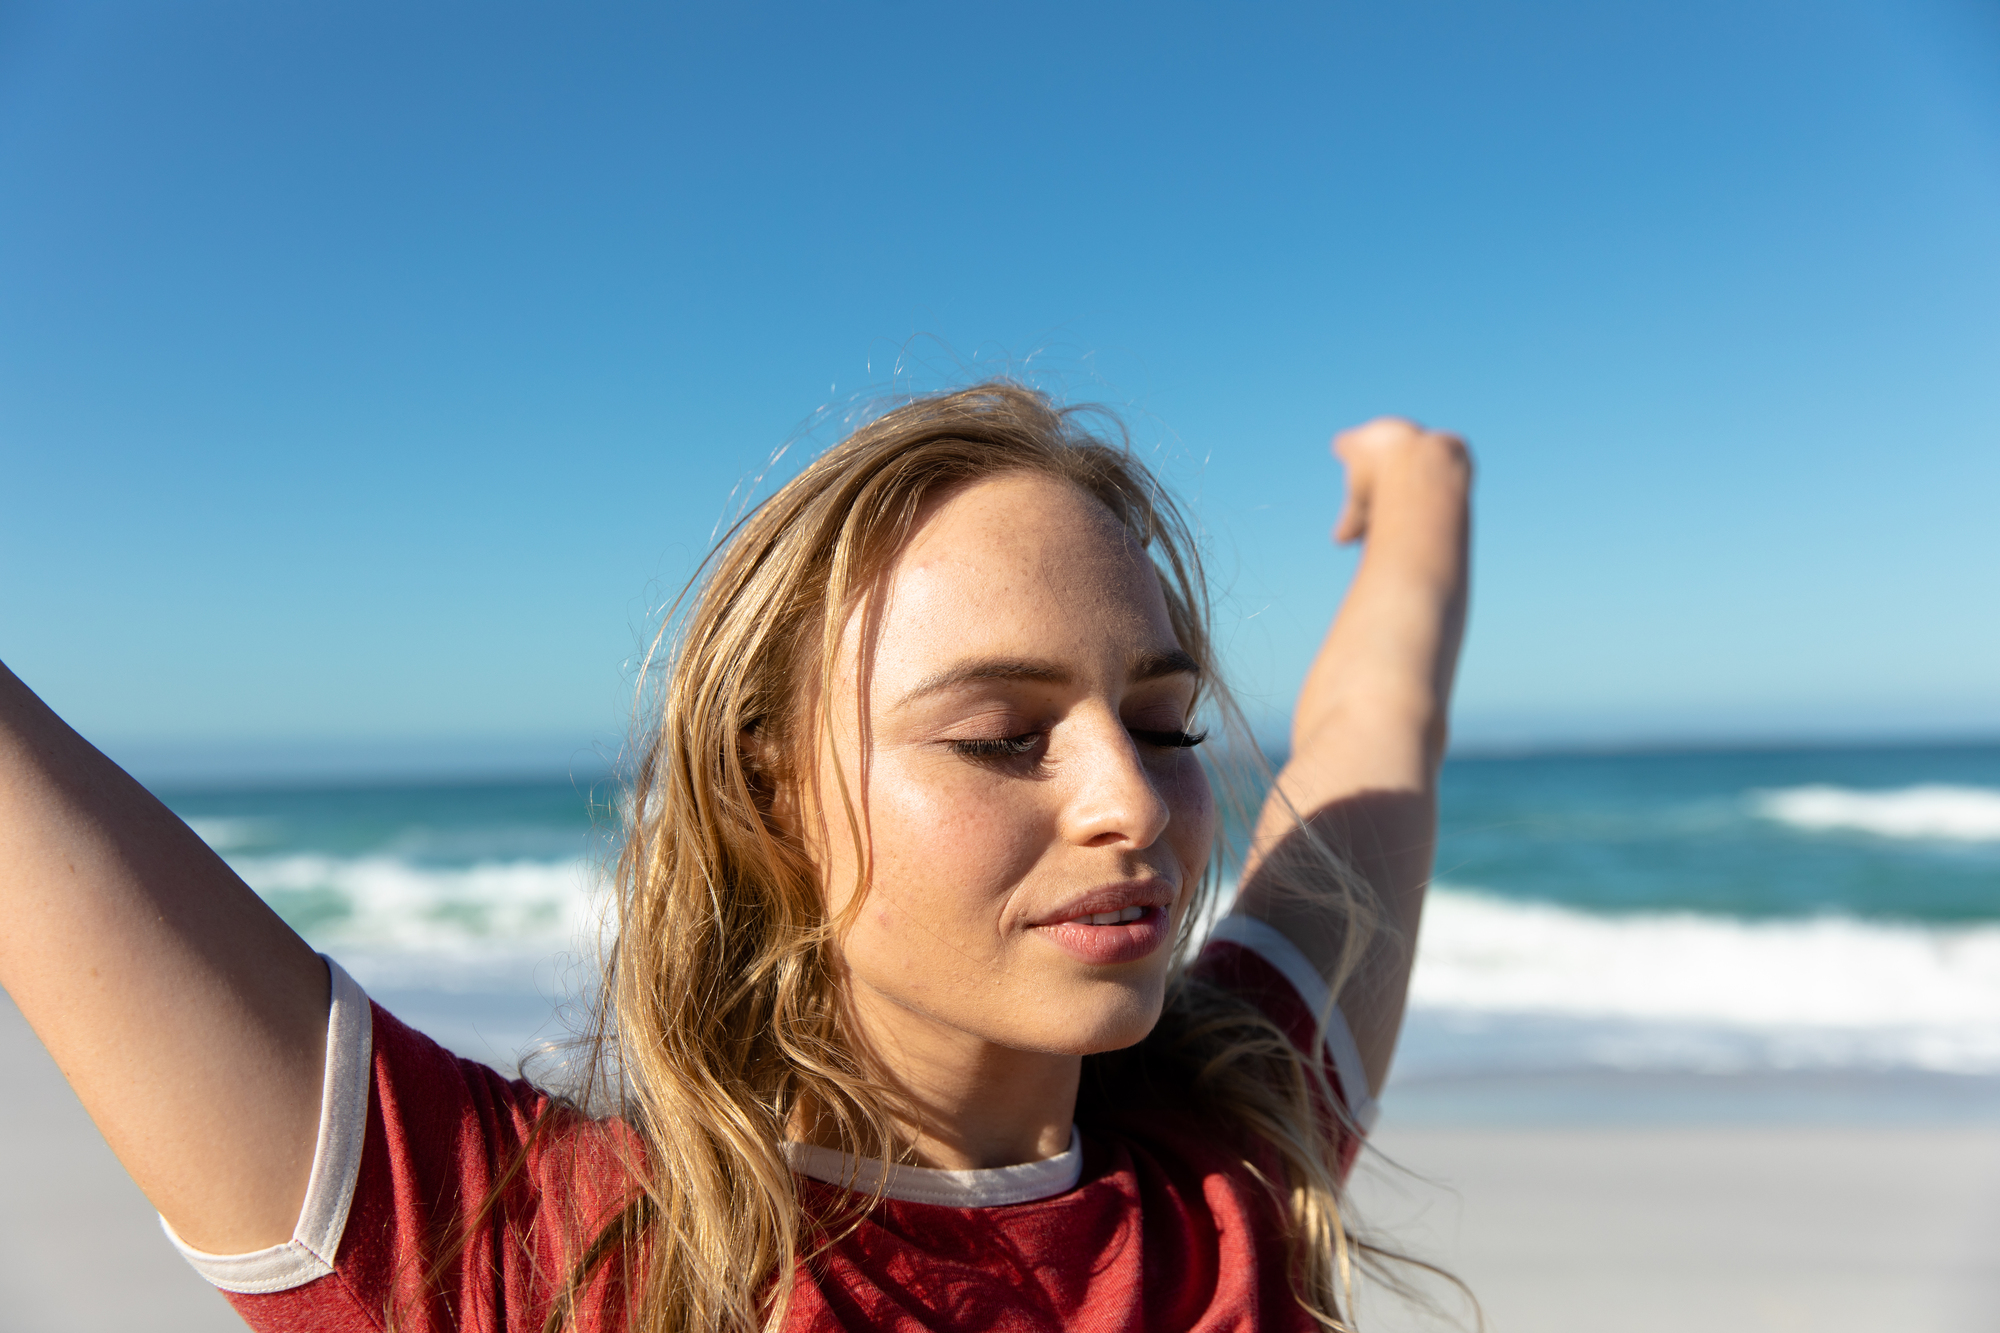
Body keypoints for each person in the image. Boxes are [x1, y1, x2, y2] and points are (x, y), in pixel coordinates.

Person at [0, 382, 1470, 1332]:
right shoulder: (547, 1261)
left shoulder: (1239, 1162)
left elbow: (1367, 737)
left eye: (1161, 719)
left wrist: (1419, 494)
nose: (1133, 804)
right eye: (1003, 736)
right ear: (770, 791)